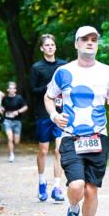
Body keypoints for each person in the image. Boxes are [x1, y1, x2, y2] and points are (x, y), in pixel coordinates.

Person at [44, 26, 109, 216]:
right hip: (71, 136)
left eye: (93, 39)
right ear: (76, 44)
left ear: (97, 44)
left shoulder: (106, 71)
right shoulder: (63, 71)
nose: (90, 42)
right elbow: (49, 97)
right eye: (85, 39)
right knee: (77, 185)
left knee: (91, 189)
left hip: (98, 136)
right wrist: (54, 115)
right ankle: (73, 210)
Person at [30, 34, 67, 202]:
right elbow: (32, 90)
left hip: (61, 113)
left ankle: (57, 187)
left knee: (59, 150)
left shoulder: (63, 66)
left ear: (55, 47)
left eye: (52, 45)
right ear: (42, 48)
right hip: (43, 113)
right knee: (43, 150)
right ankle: (42, 182)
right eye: (47, 45)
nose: (50, 47)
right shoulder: (37, 67)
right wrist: (48, 88)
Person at [1, 81, 28, 162]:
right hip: (7, 120)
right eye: (10, 88)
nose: (12, 90)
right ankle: (11, 154)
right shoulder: (5, 98)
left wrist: (18, 112)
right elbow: (3, 107)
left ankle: (13, 150)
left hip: (17, 121)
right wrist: (1, 109)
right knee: (10, 138)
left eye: (13, 88)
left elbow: (25, 107)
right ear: (8, 89)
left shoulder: (19, 98)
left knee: (16, 141)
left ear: (15, 90)